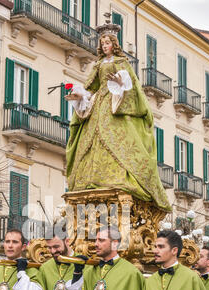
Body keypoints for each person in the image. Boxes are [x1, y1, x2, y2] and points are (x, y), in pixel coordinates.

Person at [65, 21, 171, 212]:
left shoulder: (122, 63)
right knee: (92, 141)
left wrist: (122, 85)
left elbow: (133, 88)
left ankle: (120, 178)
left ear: (114, 44)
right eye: (103, 43)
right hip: (98, 103)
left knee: (119, 142)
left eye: (108, 43)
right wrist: (80, 95)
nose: (105, 46)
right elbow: (91, 87)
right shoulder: (98, 64)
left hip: (115, 103)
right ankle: (90, 178)